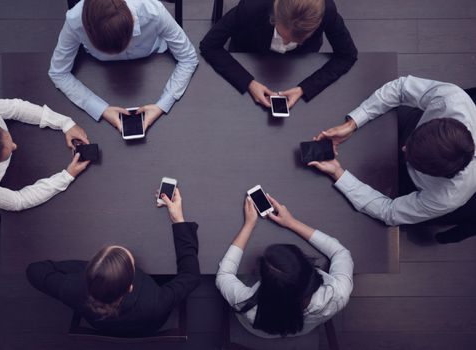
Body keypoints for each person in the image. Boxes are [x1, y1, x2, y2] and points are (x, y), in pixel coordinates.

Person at [309, 75, 476, 243]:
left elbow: (389, 212)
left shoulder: (447, 197)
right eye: (409, 144)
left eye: (409, 152)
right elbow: (401, 88)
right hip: (409, 125)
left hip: (412, 186)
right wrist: (352, 124)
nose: (403, 148)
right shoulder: (452, 99)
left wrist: (338, 173)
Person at [26, 188, 200, 336]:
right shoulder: (155, 301)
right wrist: (178, 221)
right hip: (150, 325)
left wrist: (93, 268)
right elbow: (191, 276)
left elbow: (34, 270)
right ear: (130, 287)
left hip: (102, 326)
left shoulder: (72, 289)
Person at [49, 0, 198, 132]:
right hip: (100, 73)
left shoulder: (154, 11)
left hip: (153, 61)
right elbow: (58, 72)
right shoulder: (74, 20)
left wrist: (162, 105)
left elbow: (189, 57)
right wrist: (100, 109)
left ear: (133, 20)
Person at [216, 194, 353, 337]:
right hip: (302, 328)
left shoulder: (248, 306)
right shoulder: (338, 295)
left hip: (260, 329)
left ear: (263, 281)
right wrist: (292, 222)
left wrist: (249, 225)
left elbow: (224, 275)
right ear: (307, 268)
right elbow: (340, 252)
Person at [200, 0, 357, 111]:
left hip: (300, 65)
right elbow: (209, 45)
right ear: (274, 15)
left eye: (295, 40)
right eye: (282, 35)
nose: (285, 43)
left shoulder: (327, 10)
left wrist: (304, 88)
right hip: (250, 55)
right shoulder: (252, 6)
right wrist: (248, 82)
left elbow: (347, 55)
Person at [0, 98, 90, 211]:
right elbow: (19, 201)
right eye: (7, 152)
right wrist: (66, 176)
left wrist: (65, 123)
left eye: (6, 137)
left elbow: (17, 108)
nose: (15, 146)